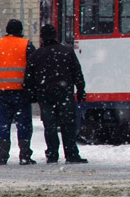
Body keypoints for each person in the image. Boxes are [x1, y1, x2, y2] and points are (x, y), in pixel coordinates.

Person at [24, 24, 88, 164]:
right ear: (55, 36)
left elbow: (29, 78)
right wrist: (81, 90)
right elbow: (77, 73)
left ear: (42, 37)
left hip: (45, 95)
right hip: (64, 93)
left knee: (50, 126)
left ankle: (52, 154)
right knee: (68, 124)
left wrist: (32, 94)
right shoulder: (67, 52)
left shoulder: (36, 55)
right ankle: (71, 153)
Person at [0, 19, 36, 165]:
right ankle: (24, 154)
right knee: (23, 124)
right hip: (21, 92)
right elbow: (33, 67)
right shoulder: (26, 45)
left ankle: (3, 154)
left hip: (1, 91)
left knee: (3, 124)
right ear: (20, 30)